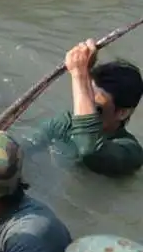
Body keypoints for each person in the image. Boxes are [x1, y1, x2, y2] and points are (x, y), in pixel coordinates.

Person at [30, 38, 143, 177]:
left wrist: (79, 75)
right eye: (84, 100)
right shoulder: (65, 124)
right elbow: (26, 148)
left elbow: (88, 150)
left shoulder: (130, 152)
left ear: (122, 113)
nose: (85, 110)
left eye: (95, 107)